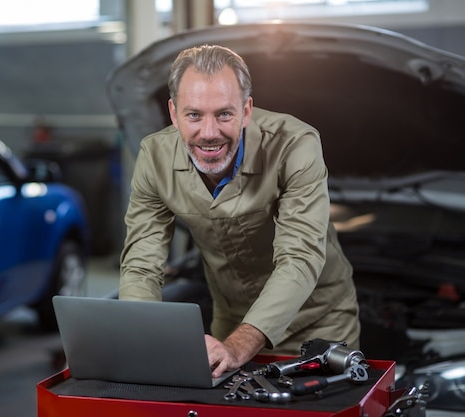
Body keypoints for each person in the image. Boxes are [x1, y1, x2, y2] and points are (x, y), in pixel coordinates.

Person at [119, 44, 361, 379]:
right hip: (229, 322)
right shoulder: (153, 157)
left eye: (224, 114)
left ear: (246, 111)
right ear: (173, 114)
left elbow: (300, 257)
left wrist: (239, 345)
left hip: (318, 322)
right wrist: (142, 338)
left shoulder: (295, 145)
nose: (209, 133)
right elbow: (141, 265)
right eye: (193, 115)